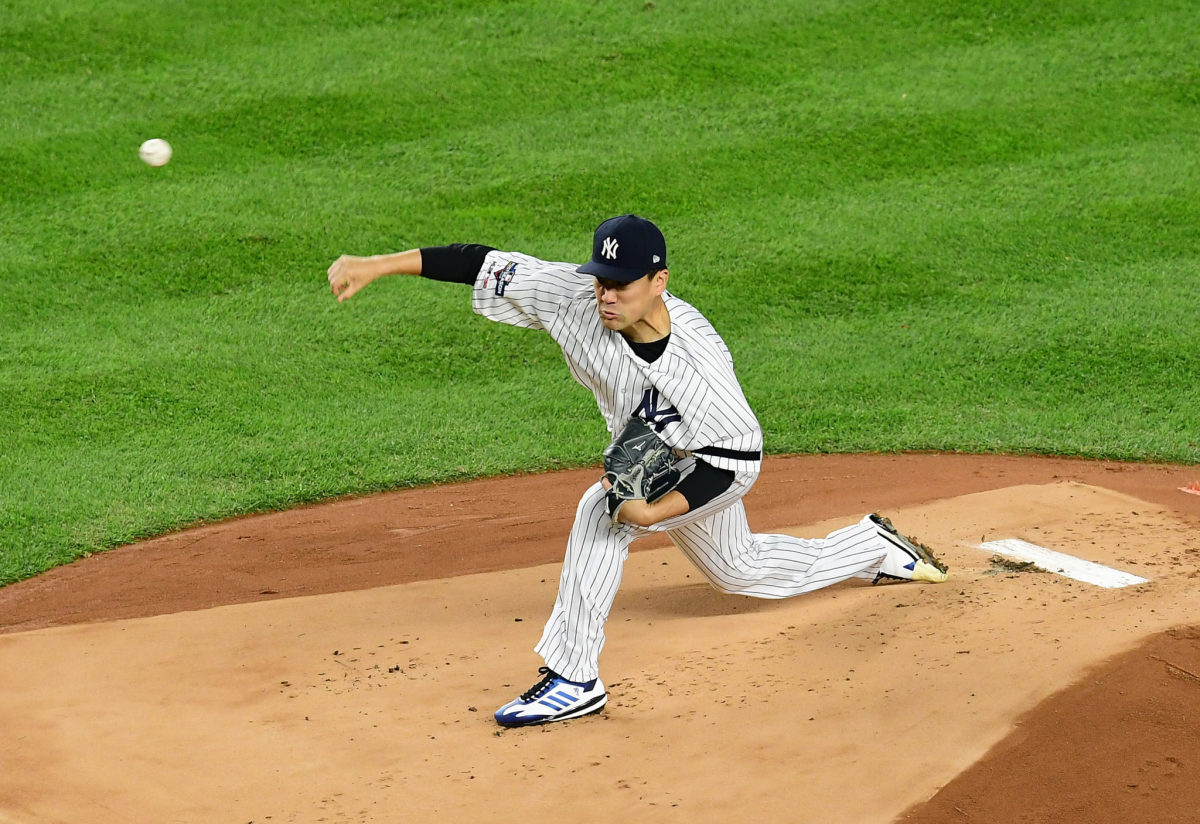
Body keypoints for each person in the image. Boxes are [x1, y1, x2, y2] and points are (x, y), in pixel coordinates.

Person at [327, 214, 948, 728]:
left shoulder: (699, 369)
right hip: (647, 445)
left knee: (601, 514)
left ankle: (574, 677)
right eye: (602, 280)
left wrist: (652, 512)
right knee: (740, 570)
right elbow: (479, 260)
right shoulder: (575, 296)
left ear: (660, 282)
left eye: (623, 285)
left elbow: (735, 466)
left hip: (705, 458)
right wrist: (376, 266)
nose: (607, 296)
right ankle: (870, 547)